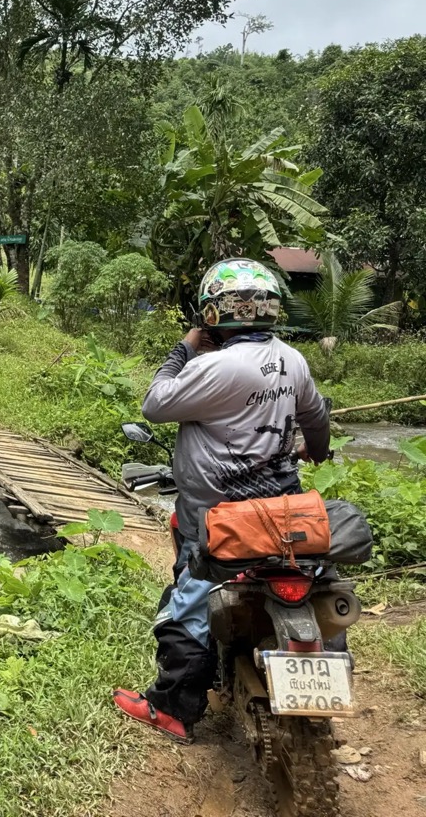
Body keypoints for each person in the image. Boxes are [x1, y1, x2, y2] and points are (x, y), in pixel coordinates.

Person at [113, 258, 331, 743]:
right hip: (281, 517)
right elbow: (315, 420)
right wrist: (314, 449)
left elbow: (155, 402)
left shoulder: (213, 365)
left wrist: (184, 347)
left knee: (186, 606)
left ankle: (171, 708)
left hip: (216, 517)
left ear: (213, 312)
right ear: (272, 309)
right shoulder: (293, 360)